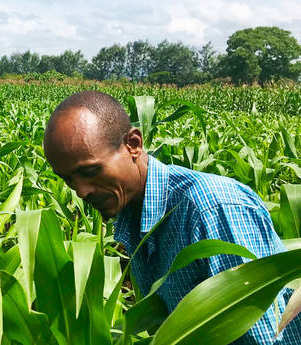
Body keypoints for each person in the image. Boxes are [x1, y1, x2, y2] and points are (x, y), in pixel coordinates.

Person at [42, 90, 301, 344]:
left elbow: (268, 337)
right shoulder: (132, 210)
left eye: (90, 171)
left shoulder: (210, 209)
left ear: (133, 144)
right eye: (68, 179)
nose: (81, 191)